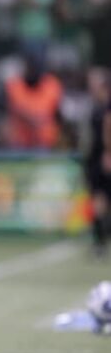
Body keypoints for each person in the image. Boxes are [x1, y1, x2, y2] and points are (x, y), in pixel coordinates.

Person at [82, 67, 111, 258]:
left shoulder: (106, 106)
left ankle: (101, 240)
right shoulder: (96, 105)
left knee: (101, 198)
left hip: (102, 159)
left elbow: (108, 126)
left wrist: (108, 153)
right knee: (98, 199)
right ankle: (100, 240)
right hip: (94, 159)